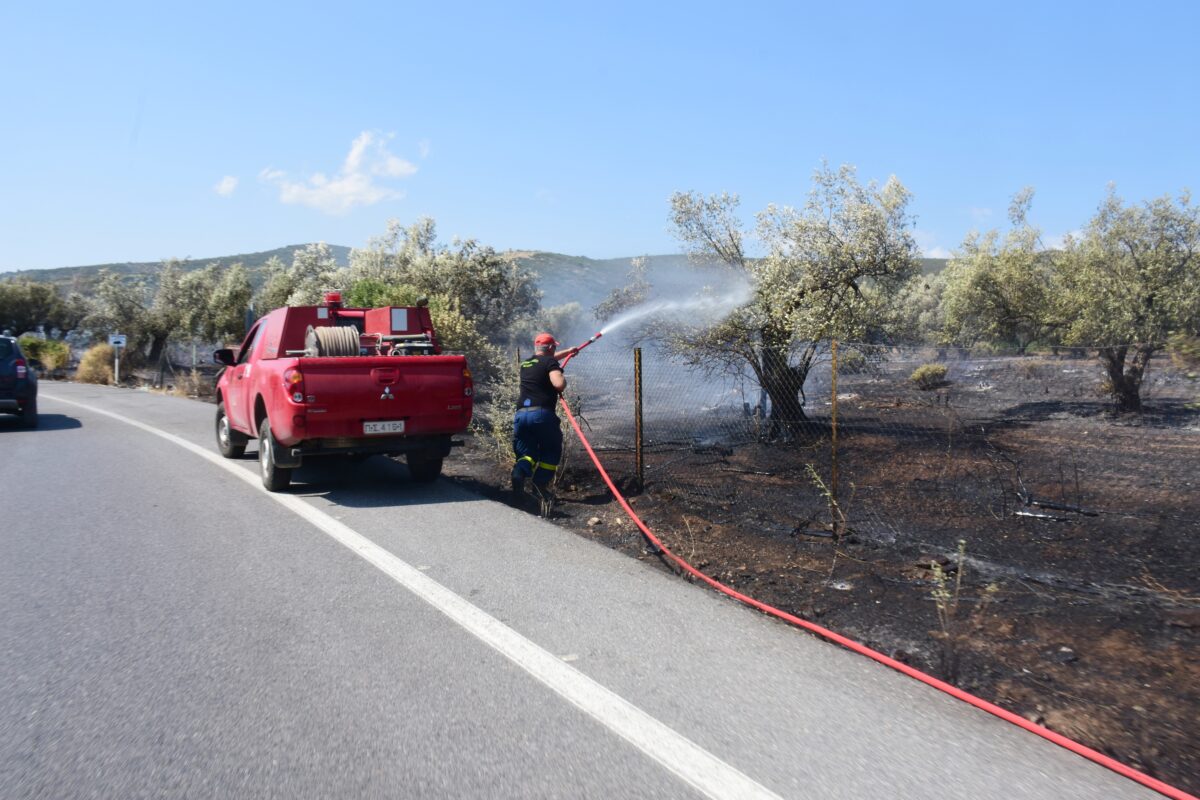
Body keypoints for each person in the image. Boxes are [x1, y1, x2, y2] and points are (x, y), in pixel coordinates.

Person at [511, 332, 578, 503]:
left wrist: (568, 352)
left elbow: (546, 361)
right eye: (554, 347)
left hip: (521, 415)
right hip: (542, 415)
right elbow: (559, 384)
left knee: (527, 453)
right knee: (551, 450)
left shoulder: (526, 363)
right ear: (551, 347)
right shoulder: (550, 363)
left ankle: (519, 472)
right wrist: (560, 375)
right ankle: (539, 486)